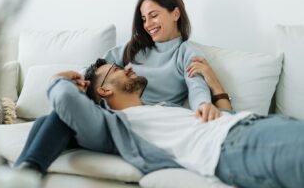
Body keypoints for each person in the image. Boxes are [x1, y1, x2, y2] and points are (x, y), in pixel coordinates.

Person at [14, 0, 231, 174]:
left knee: (53, 120)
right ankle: (25, 173)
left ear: (176, 14)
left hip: (147, 123)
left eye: (154, 15)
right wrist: (79, 81)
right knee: (53, 119)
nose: (148, 24)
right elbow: (95, 70)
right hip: (109, 115)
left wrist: (203, 105)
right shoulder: (132, 49)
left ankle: (25, 171)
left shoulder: (186, 53)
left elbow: (196, 86)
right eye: (144, 19)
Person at [49, 58, 304, 188]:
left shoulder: (162, 109)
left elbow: (225, 116)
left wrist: (213, 83)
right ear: (103, 91)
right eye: (116, 69)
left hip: (250, 127)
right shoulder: (113, 125)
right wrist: (61, 79)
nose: (127, 67)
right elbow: (66, 102)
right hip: (233, 146)